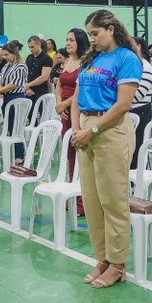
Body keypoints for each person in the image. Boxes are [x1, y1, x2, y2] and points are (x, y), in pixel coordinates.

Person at [71, 9, 141, 289]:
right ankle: (102, 257)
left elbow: (123, 105)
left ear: (111, 29)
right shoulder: (92, 58)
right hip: (86, 128)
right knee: (92, 200)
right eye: (89, 34)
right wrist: (78, 130)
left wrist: (92, 130)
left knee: (113, 201)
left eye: (96, 33)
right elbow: (76, 98)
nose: (93, 39)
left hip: (110, 128)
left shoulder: (126, 58)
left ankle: (118, 263)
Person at [55, 29, 89, 187]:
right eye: (67, 39)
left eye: (72, 40)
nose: (67, 43)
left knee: (80, 153)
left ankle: (82, 196)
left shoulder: (86, 62)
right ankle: (72, 189)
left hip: (78, 110)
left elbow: (79, 91)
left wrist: (65, 104)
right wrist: (59, 105)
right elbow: (59, 85)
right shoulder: (68, 60)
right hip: (64, 113)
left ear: (80, 42)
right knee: (69, 153)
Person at [0, 41, 28, 165]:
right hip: (7, 98)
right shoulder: (6, 65)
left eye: (7, 55)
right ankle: (14, 153)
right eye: (3, 55)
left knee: (16, 127)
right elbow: (0, 79)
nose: (5, 57)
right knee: (9, 127)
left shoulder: (21, 66)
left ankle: (20, 155)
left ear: (14, 53)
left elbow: (14, 84)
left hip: (17, 98)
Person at [130, 36, 152, 170]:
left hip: (140, 112)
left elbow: (137, 95)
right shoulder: (132, 65)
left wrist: (119, 95)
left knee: (138, 150)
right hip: (130, 111)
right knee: (130, 150)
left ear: (139, 46)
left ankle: (138, 184)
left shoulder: (146, 67)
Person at [24, 35, 53, 115]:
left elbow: (44, 77)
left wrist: (28, 85)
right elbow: (25, 74)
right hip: (28, 91)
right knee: (29, 115)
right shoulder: (29, 57)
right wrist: (27, 88)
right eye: (29, 47)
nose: (30, 49)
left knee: (41, 115)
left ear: (39, 44)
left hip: (41, 92)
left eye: (32, 47)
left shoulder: (47, 59)